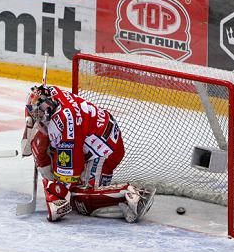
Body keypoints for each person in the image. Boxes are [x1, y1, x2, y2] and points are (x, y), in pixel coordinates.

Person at [21, 85, 155, 222]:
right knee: (66, 176)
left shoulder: (65, 124)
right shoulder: (49, 93)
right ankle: (120, 198)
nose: (37, 117)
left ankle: (130, 195)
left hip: (104, 149)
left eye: (39, 114)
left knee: (81, 200)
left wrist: (56, 193)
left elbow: (70, 171)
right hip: (96, 135)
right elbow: (35, 109)